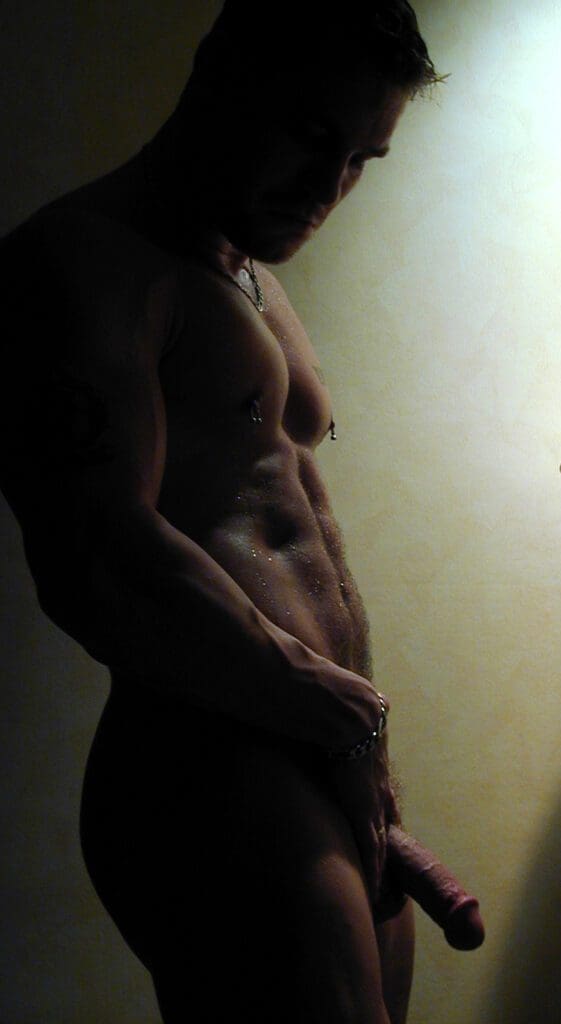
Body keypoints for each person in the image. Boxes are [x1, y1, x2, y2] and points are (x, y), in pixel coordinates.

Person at [0, 2, 483, 1021]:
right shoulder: (81, 264)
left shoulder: (246, 273)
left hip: (322, 752)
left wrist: (350, 738)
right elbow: (96, 561)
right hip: (214, 764)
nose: (327, 187)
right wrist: (340, 715)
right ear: (221, 70)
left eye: (362, 160)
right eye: (311, 135)